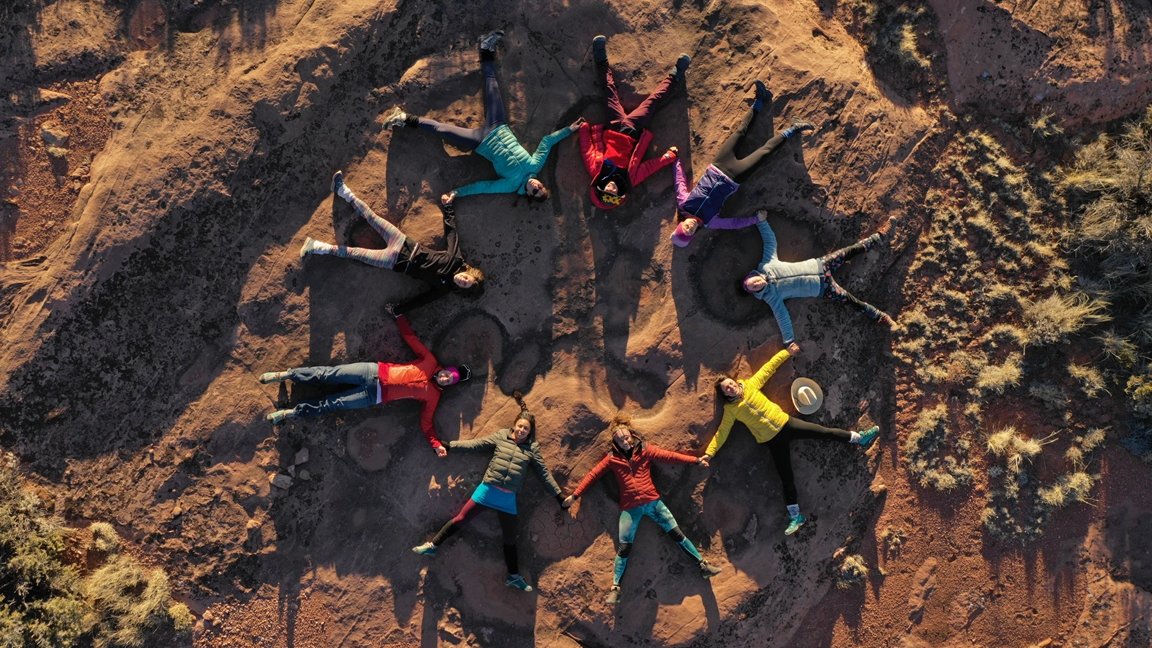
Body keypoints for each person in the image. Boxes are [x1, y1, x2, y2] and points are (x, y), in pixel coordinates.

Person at [383, 30, 583, 202]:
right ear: (541, 183)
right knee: (491, 85)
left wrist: (456, 193)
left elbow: (483, 187)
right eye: (540, 187)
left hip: (481, 142)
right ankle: (486, 46)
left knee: (440, 129)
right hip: (499, 125)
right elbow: (547, 142)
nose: (536, 186)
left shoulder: (510, 186)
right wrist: (570, 130)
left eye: (535, 191)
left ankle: (402, 118)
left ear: (528, 194)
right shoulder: (535, 164)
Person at [702, 348, 880, 535]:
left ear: (734, 381)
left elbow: (768, 368)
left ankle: (860, 439)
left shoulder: (750, 385)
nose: (729, 388)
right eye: (726, 389)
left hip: (785, 423)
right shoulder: (732, 410)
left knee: (823, 432)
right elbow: (722, 432)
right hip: (771, 439)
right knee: (785, 476)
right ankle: (796, 516)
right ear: (726, 395)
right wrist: (709, 453)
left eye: (729, 383)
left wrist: (786, 353)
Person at [412, 396, 567, 593]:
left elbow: (544, 474)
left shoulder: (532, 450)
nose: (521, 430)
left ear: (530, 432)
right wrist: (448, 445)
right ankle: (432, 546)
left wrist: (560, 497)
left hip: (507, 498)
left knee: (510, 539)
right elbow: (476, 445)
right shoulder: (501, 436)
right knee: (460, 519)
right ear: (514, 425)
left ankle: (513, 577)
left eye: (525, 429)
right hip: (487, 490)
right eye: (520, 426)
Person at [563, 415, 721, 605]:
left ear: (632, 435)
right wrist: (575, 495)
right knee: (624, 547)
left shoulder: (645, 450)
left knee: (677, 534)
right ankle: (615, 588)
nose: (625, 441)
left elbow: (669, 456)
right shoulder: (612, 459)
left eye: (627, 437)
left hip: (653, 502)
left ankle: (703, 566)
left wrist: (695, 461)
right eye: (620, 439)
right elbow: (593, 474)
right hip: (630, 509)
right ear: (615, 441)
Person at [260, 313, 468, 458]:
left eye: (449, 380)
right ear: (445, 369)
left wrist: (436, 444)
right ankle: (287, 375)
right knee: (328, 374)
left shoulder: (433, 396)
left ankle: (291, 413)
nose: (445, 378)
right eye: (447, 375)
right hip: (372, 371)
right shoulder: (430, 361)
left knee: (333, 404)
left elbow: (426, 424)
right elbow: (411, 339)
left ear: (449, 384)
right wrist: (399, 317)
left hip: (373, 396)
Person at [301, 173, 485, 307]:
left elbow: (422, 300)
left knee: (354, 253)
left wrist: (399, 310)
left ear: (461, 289)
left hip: (393, 262)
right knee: (371, 217)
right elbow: (452, 232)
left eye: (463, 284)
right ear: (469, 272)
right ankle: (342, 189)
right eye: (466, 279)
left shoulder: (444, 289)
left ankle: (316, 247)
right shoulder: (456, 260)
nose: (462, 280)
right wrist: (448, 207)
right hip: (403, 242)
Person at [669, 80, 814, 247]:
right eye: (691, 231)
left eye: (686, 227)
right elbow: (733, 223)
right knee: (764, 153)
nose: (691, 227)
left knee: (740, 132)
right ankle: (793, 129)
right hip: (735, 178)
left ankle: (760, 100)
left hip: (718, 165)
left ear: (681, 224)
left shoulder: (684, 203)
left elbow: (679, 181)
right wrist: (755, 219)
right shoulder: (710, 222)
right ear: (694, 234)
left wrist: (675, 159)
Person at [743, 215, 897, 353]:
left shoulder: (767, 264)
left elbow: (770, 242)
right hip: (822, 287)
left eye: (753, 281)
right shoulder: (771, 296)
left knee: (850, 251)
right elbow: (782, 317)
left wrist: (761, 222)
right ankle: (880, 316)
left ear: (754, 275)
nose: (756, 283)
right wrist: (788, 341)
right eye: (754, 287)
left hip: (821, 265)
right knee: (851, 301)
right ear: (755, 291)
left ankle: (880, 236)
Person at [578, 34, 687, 210]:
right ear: (619, 194)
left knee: (609, 90)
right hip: (634, 130)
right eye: (613, 194)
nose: (611, 189)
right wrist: (669, 157)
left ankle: (600, 57)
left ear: (600, 189)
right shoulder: (629, 179)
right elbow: (649, 167)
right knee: (653, 102)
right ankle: (676, 75)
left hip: (613, 126)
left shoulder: (596, 172)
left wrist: (583, 129)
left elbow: (587, 152)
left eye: (606, 192)